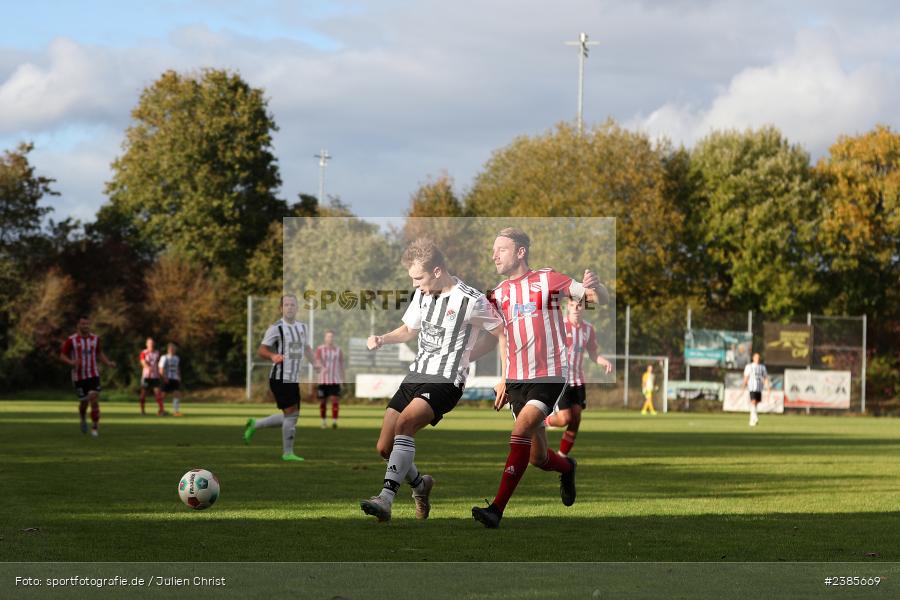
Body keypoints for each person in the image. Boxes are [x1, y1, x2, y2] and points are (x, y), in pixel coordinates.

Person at [359, 238, 504, 523]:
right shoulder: (423, 294)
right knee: (384, 448)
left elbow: (499, 333)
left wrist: (496, 373)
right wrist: (382, 339)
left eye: (418, 278)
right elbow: (409, 329)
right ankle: (420, 485)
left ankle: (385, 499)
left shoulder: (471, 299)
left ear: (437, 271)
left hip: (446, 379)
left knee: (405, 424)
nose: (415, 284)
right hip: (416, 374)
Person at [472, 227, 606, 529]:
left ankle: (495, 510)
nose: (494, 256)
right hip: (517, 380)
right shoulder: (497, 294)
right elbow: (495, 338)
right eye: (493, 250)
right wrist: (480, 366)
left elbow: (595, 299)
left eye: (501, 249)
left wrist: (598, 287)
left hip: (549, 375)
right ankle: (567, 467)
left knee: (519, 431)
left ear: (520, 252)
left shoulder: (548, 279)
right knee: (538, 457)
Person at [243, 294, 315, 461]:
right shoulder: (276, 328)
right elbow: (262, 350)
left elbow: (306, 348)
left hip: (293, 378)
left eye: (292, 305)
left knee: (291, 416)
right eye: (286, 305)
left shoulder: (302, 327)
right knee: (291, 415)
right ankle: (287, 453)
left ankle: (255, 424)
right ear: (280, 308)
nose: (289, 307)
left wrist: (316, 364)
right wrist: (273, 356)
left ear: (297, 308)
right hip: (280, 377)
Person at [545, 298, 613, 457]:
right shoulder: (559, 326)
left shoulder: (588, 329)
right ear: (567, 307)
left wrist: (603, 361)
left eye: (579, 305)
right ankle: (542, 422)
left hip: (578, 381)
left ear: (583, 307)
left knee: (576, 418)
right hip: (561, 381)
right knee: (564, 419)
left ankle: (562, 455)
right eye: (572, 305)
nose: (576, 308)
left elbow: (593, 354)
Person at [59, 315, 116, 436]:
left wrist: (108, 363)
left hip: (93, 374)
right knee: (84, 403)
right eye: (83, 324)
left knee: (93, 398)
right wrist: (71, 362)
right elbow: (62, 355)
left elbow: (99, 353)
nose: (86, 326)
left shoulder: (95, 339)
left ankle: (94, 427)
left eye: (87, 324)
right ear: (78, 325)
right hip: (78, 376)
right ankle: (83, 418)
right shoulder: (71, 340)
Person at [315, 330, 344, 429]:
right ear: (325, 338)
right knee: (323, 402)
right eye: (328, 336)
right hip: (323, 380)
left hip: (335, 380)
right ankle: (323, 422)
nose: (330, 338)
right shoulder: (320, 349)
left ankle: (334, 422)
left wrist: (343, 379)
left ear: (334, 338)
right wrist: (321, 367)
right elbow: (317, 361)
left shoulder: (338, 350)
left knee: (335, 400)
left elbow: (341, 365)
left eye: (331, 336)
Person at [741, 352, 770, 427]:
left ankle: (752, 420)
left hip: (759, 388)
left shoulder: (762, 367)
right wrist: (743, 386)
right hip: (752, 387)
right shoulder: (749, 366)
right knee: (753, 402)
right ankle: (755, 418)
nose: (758, 359)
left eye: (758, 357)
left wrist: (768, 387)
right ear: (753, 358)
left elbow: (765, 377)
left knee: (756, 403)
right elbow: (746, 377)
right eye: (756, 357)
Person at [139, 338, 165, 415]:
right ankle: (142, 410)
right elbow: (142, 362)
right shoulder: (144, 352)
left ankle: (161, 410)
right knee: (143, 394)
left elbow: (159, 364)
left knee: (158, 394)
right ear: (147, 344)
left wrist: (161, 373)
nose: (151, 345)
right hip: (146, 377)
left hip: (155, 377)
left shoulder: (157, 353)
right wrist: (148, 367)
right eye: (150, 343)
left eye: (152, 343)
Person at [159, 343, 182, 416]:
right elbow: (161, 368)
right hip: (167, 378)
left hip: (174, 378)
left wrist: (179, 376)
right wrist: (164, 377)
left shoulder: (176, 358)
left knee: (177, 394)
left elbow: (177, 368)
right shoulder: (164, 357)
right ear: (168, 350)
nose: (173, 350)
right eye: (171, 349)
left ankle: (176, 411)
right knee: (163, 395)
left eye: (174, 349)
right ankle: (160, 410)